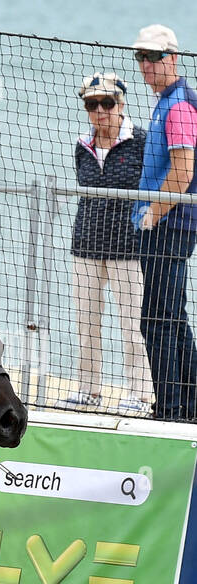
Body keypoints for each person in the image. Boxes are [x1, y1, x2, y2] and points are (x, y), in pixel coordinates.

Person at [63, 72, 152, 415]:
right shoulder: (82, 145)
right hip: (85, 246)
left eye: (107, 103)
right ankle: (88, 390)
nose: (100, 110)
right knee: (86, 323)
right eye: (91, 104)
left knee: (133, 325)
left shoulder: (142, 141)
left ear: (121, 104)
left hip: (129, 249)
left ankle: (140, 394)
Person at [132, 24, 197, 422]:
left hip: (169, 225)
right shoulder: (168, 100)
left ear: (172, 58)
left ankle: (171, 411)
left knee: (156, 321)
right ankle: (188, 405)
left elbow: (183, 170)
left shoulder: (179, 104)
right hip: (171, 224)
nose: (145, 65)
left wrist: (152, 215)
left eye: (153, 57)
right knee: (172, 317)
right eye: (140, 57)